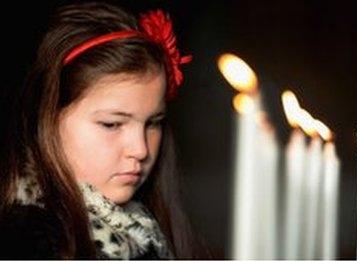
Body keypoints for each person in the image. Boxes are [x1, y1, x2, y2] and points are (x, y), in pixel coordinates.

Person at [0, 1, 208, 259]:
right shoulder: (24, 244)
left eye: (153, 123)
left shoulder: (148, 230)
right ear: (47, 119)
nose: (141, 149)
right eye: (112, 124)